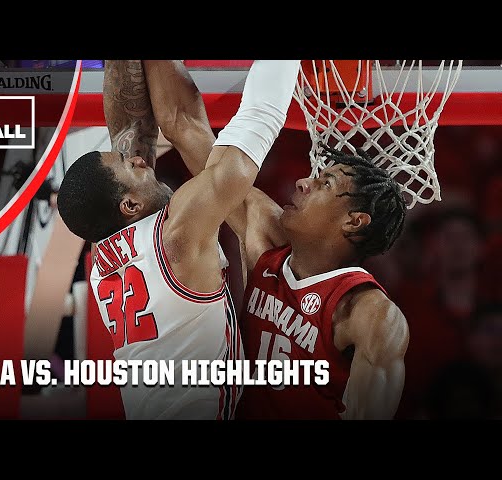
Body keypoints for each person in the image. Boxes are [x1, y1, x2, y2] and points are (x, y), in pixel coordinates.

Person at [143, 60, 410, 420]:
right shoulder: (266, 239)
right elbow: (183, 125)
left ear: (353, 221)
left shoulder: (368, 311)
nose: (303, 182)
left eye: (324, 184)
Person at [57, 60, 301, 419]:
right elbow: (258, 118)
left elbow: (132, 129)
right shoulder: (174, 237)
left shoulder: (105, 244)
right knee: (261, 221)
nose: (140, 161)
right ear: (129, 205)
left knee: (259, 221)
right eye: (129, 166)